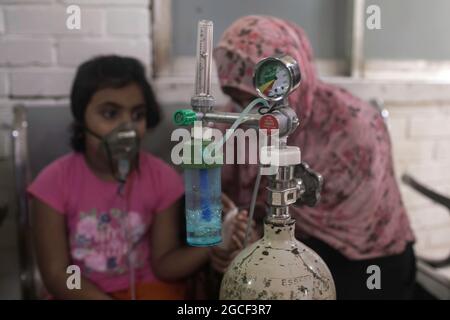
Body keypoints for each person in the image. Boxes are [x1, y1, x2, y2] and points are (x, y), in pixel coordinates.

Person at [212, 15, 416, 300]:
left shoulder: (354, 129)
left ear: (296, 77)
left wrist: (266, 243)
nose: (254, 111)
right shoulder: (234, 123)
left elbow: (358, 229)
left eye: (260, 96)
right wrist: (231, 233)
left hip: (361, 259)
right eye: (240, 97)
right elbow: (217, 200)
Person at [28, 55, 214, 299]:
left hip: (148, 289)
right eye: (110, 114)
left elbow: (165, 264)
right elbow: (56, 274)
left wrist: (213, 245)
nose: (127, 127)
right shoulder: (52, 183)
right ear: (81, 118)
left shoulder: (163, 179)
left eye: (137, 115)